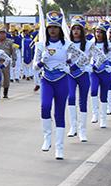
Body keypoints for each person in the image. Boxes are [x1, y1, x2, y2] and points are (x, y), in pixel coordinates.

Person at [35, 11, 84, 159]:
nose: (53, 30)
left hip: (62, 80)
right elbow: (34, 68)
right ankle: (47, 138)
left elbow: (83, 58)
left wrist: (70, 67)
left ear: (60, 29)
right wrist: (41, 61)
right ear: (47, 29)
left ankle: (59, 148)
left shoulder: (67, 44)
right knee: (45, 107)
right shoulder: (41, 45)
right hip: (47, 80)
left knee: (59, 113)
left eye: (56, 27)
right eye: (50, 27)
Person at [65, 16, 93, 142]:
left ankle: (82, 130)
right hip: (70, 74)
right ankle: (73, 127)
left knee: (83, 101)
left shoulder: (88, 44)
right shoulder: (66, 44)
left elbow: (93, 57)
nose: (76, 31)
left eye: (78, 29)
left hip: (83, 73)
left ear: (82, 31)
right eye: (74, 28)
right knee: (71, 98)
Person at [88, 23, 111, 130]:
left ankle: (103, 119)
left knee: (103, 95)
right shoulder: (91, 43)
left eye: (100, 32)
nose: (98, 34)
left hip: (105, 71)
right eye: (97, 32)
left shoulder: (109, 45)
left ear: (104, 34)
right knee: (93, 90)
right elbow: (85, 55)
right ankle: (95, 114)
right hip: (94, 70)